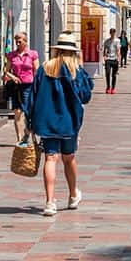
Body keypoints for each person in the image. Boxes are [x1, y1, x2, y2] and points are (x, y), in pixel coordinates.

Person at [27, 31, 94, 216]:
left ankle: (50, 202)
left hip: (47, 121)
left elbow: (32, 96)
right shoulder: (76, 71)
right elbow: (86, 96)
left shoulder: (45, 68)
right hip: (69, 122)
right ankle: (72, 195)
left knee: (50, 158)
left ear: (56, 50)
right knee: (69, 157)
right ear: (73, 52)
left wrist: (29, 120)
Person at [1, 33, 38, 145]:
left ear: (25, 41)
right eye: (16, 41)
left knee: (29, 112)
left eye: (20, 41)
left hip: (29, 86)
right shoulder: (11, 55)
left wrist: (37, 85)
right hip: (16, 86)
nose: (17, 43)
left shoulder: (32, 54)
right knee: (17, 112)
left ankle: (31, 137)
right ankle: (19, 138)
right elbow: (6, 70)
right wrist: (13, 77)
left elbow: (36, 70)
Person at [102, 27, 121, 94]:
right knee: (107, 73)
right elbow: (105, 49)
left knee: (114, 75)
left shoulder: (117, 41)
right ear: (110, 33)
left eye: (114, 33)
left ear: (115, 33)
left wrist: (118, 59)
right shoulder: (107, 41)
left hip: (115, 59)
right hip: (108, 59)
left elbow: (118, 50)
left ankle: (113, 88)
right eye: (111, 33)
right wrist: (104, 56)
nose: (112, 34)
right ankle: (108, 87)